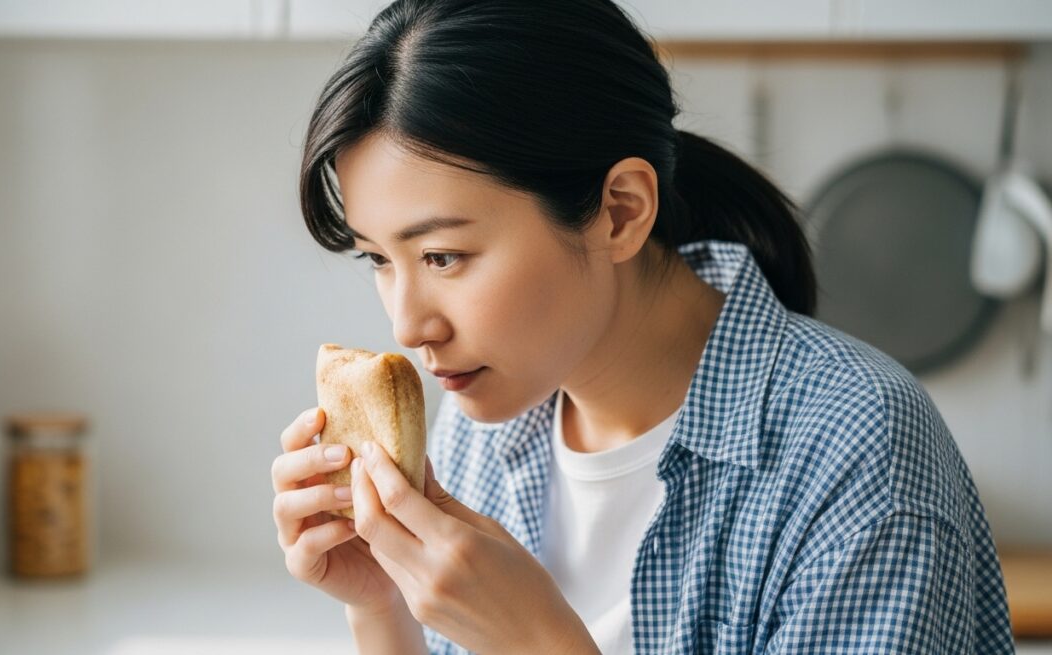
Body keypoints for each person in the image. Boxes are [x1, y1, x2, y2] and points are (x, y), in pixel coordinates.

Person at [269, 1, 1015, 653]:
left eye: (443, 255)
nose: (409, 324)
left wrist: (542, 643)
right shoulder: (479, 436)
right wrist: (381, 603)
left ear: (622, 210)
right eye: (378, 259)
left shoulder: (856, 449)